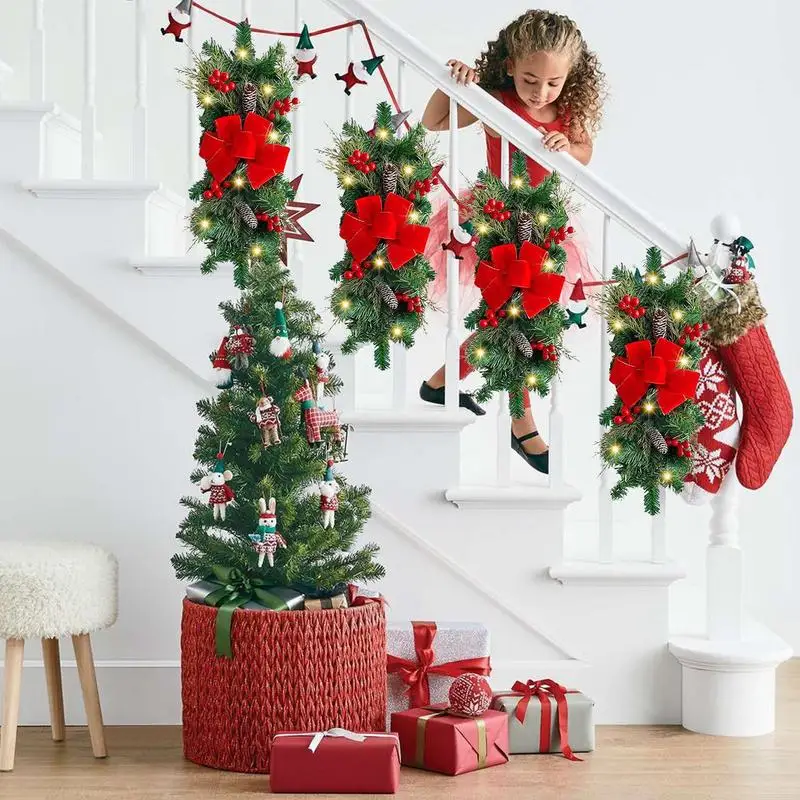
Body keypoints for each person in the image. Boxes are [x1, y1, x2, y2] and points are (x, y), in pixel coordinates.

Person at [418, 9, 606, 474]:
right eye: (530, 79)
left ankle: (444, 380)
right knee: (514, 324)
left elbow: (584, 152)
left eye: (552, 84)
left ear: (569, 79)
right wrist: (454, 81)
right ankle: (522, 426)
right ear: (509, 67)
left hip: (545, 227)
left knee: (519, 322)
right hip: (498, 222)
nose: (540, 92)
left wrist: (568, 144)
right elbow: (433, 122)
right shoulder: (496, 99)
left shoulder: (567, 113)